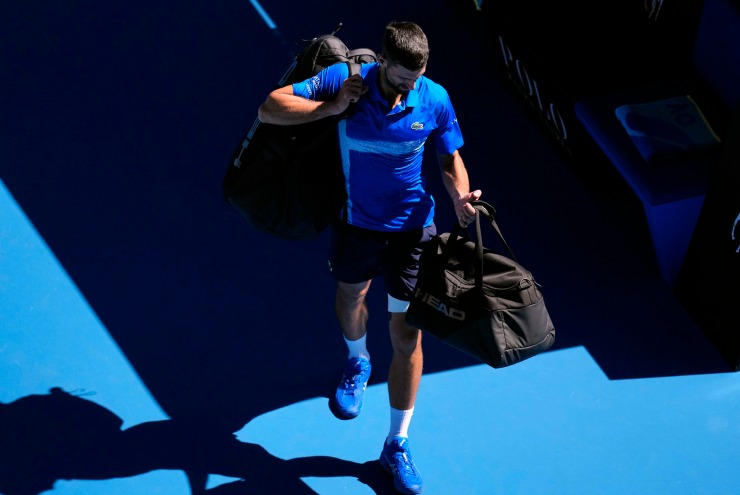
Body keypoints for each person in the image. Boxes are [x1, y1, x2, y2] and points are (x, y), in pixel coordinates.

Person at [258, 20, 481, 495]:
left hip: (412, 235)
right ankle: (358, 360)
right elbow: (270, 108)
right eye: (401, 79)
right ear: (382, 62)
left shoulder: (434, 96)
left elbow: (448, 159)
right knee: (351, 297)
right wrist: (333, 106)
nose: (408, 89)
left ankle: (396, 444)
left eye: (416, 79)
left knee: (407, 335)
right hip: (355, 225)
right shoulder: (345, 79)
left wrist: (460, 197)